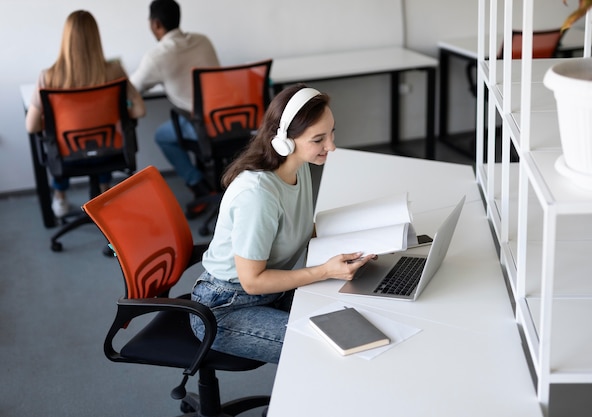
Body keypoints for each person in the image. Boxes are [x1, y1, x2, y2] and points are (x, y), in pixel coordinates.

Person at [190, 84, 376, 364]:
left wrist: (364, 235)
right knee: (327, 351)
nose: (332, 146)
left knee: (359, 315)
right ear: (285, 141)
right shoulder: (258, 195)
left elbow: (297, 228)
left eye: (332, 132)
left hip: (273, 289)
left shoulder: (297, 167)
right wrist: (325, 271)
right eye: (318, 139)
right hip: (225, 306)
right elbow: (252, 281)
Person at [25, 10, 146, 218]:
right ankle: (104, 191)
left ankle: (60, 197)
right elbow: (140, 110)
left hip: (68, 157)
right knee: (102, 139)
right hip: (110, 153)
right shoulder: (115, 71)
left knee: (63, 141)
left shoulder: (48, 77)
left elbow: (32, 126)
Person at [130, 0, 220, 216]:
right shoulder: (203, 40)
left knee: (162, 135)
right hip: (226, 119)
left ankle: (199, 186)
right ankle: (212, 180)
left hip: (198, 125)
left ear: (156, 24)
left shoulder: (157, 56)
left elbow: (132, 90)